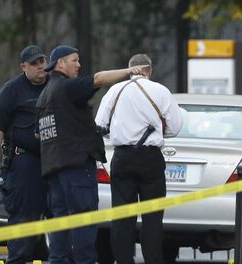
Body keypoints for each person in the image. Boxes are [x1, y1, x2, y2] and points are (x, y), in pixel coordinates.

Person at [36, 45, 150, 264]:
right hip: (77, 167)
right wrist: (130, 72)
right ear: (61, 63)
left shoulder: (44, 95)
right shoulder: (68, 88)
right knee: (83, 221)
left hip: (53, 170)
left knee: (59, 222)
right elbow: (98, 79)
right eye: (74, 60)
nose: (79, 65)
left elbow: (40, 134)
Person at [95, 54, 183, 264]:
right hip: (150, 158)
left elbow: (99, 124)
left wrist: (121, 133)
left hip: (122, 157)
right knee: (152, 218)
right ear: (149, 70)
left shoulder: (115, 91)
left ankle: (124, 261)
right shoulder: (161, 91)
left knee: (122, 217)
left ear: (130, 69)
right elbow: (175, 127)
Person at [0, 45, 49, 264]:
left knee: (60, 220)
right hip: (25, 162)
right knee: (23, 221)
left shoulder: (56, 85)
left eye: (42, 61)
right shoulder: (12, 90)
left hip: (55, 162)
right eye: (34, 63)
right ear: (24, 66)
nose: (41, 66)